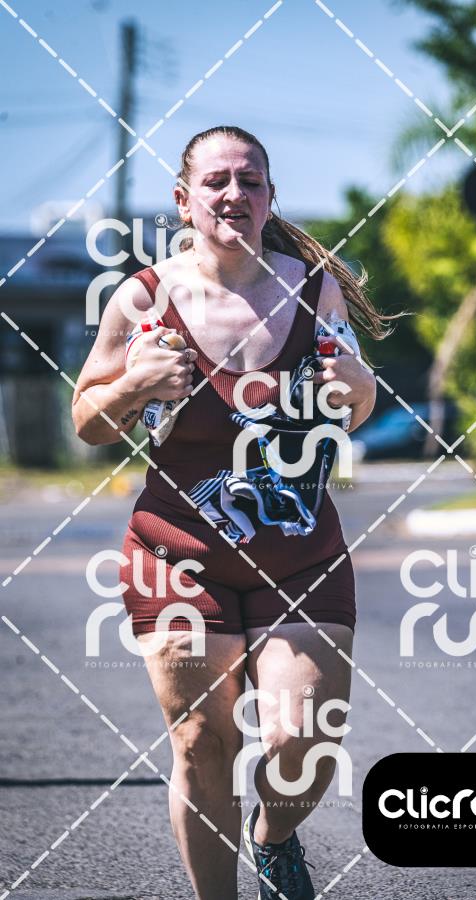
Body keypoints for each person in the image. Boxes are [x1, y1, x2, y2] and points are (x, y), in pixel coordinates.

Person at [72, 125, 396, 900]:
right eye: (216, 181)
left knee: (302, 738)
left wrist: (357, 386)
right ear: (184, 200)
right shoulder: (143, 299)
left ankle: (273, 836)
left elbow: (352, 405)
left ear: (270, 198)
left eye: (250, 181)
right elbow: (87, 421)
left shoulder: (313, 290)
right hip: (178, 554)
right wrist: (135, 385)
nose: (233, 194)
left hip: (300, 551)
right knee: (200, 741)